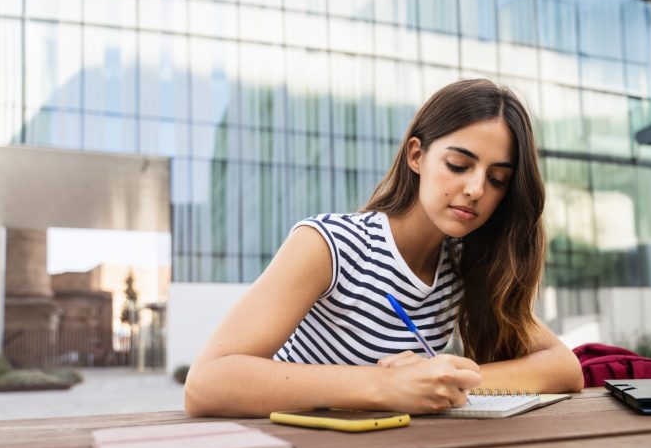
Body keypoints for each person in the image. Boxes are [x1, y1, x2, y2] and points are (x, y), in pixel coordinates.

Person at [185, 78, 584, 418]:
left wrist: (442, 380)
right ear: (416, 156)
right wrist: (384, 385)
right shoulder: (330, 245)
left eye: (497, 179)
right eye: (459, 165)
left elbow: (564, 367)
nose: (476, 189)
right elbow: (206, 383)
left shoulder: (465, 266)